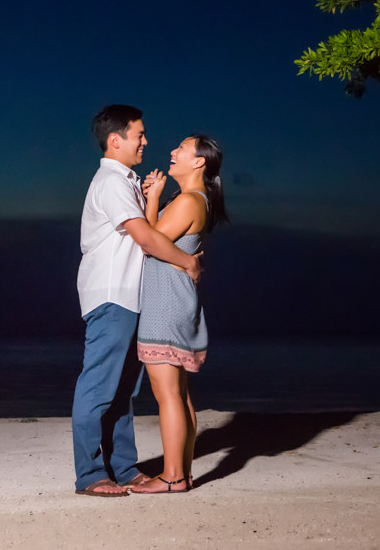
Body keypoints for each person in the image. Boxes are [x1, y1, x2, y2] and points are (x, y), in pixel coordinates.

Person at [72, 105, 202, 498]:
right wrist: (187, 263)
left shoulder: (126, 181)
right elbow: (145, 238)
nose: (146, 141)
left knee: (124, 390)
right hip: (112, 296)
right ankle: (90, 474)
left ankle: (124, 468)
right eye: (139, 135)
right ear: (116, 140)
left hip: (131, 298)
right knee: (98, 387)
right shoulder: (111, 182)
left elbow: (145, 235)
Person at [130, 135, 228, 494]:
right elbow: (157, 238)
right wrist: (155, 197)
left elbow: (148, 242)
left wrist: (151, 201)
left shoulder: (188, 200)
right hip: (175, 300)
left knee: (168, 394)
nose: (172, 152)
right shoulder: (193, 200)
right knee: (180, 393)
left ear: (199, 162)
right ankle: (181, 473)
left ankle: (172, 477)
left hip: (165, 304)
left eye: (182, 150)